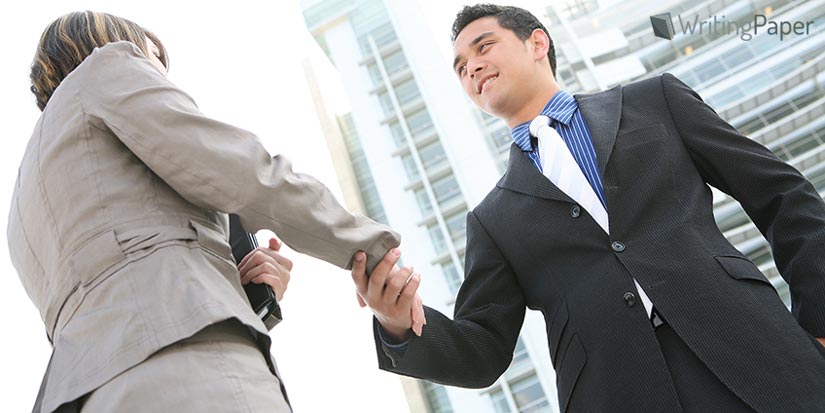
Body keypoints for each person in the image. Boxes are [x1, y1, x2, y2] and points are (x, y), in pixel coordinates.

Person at [352, 4, 825, 412]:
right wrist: (399, 325)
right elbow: (484, 349)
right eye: (459, 67)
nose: (471, 68)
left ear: (537, 43)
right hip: (616, 395)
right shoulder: (491, 220)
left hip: (761, 352)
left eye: (483, 47)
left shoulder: (655, 100)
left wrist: (818, 322)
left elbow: (782, 196)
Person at [9, 11, 422, 413]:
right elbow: (245, 175)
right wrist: (371, 250)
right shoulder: (108, 68)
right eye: (155, 60)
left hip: (82, 392)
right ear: (119, 40)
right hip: (189, 369)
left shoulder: (23, 199)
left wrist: (243, 294)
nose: (160, 76)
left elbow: (118, 285)